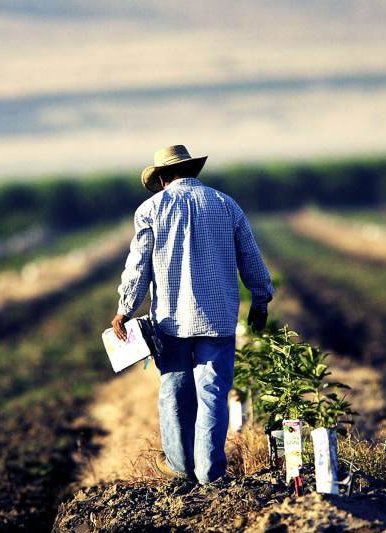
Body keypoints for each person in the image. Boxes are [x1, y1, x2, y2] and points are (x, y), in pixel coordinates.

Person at [112, 144, 274, 484]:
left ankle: (182, 469)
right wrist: (261, 299)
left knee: (174, 393)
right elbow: (251, 257)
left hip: (170, 320)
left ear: (162, 179)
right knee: (213, 393)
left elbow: (138, 265)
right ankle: (209, 473)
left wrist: (125, 309)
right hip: (218, 318)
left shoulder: (150, 210)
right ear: (191, 172)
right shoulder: (225, 204)